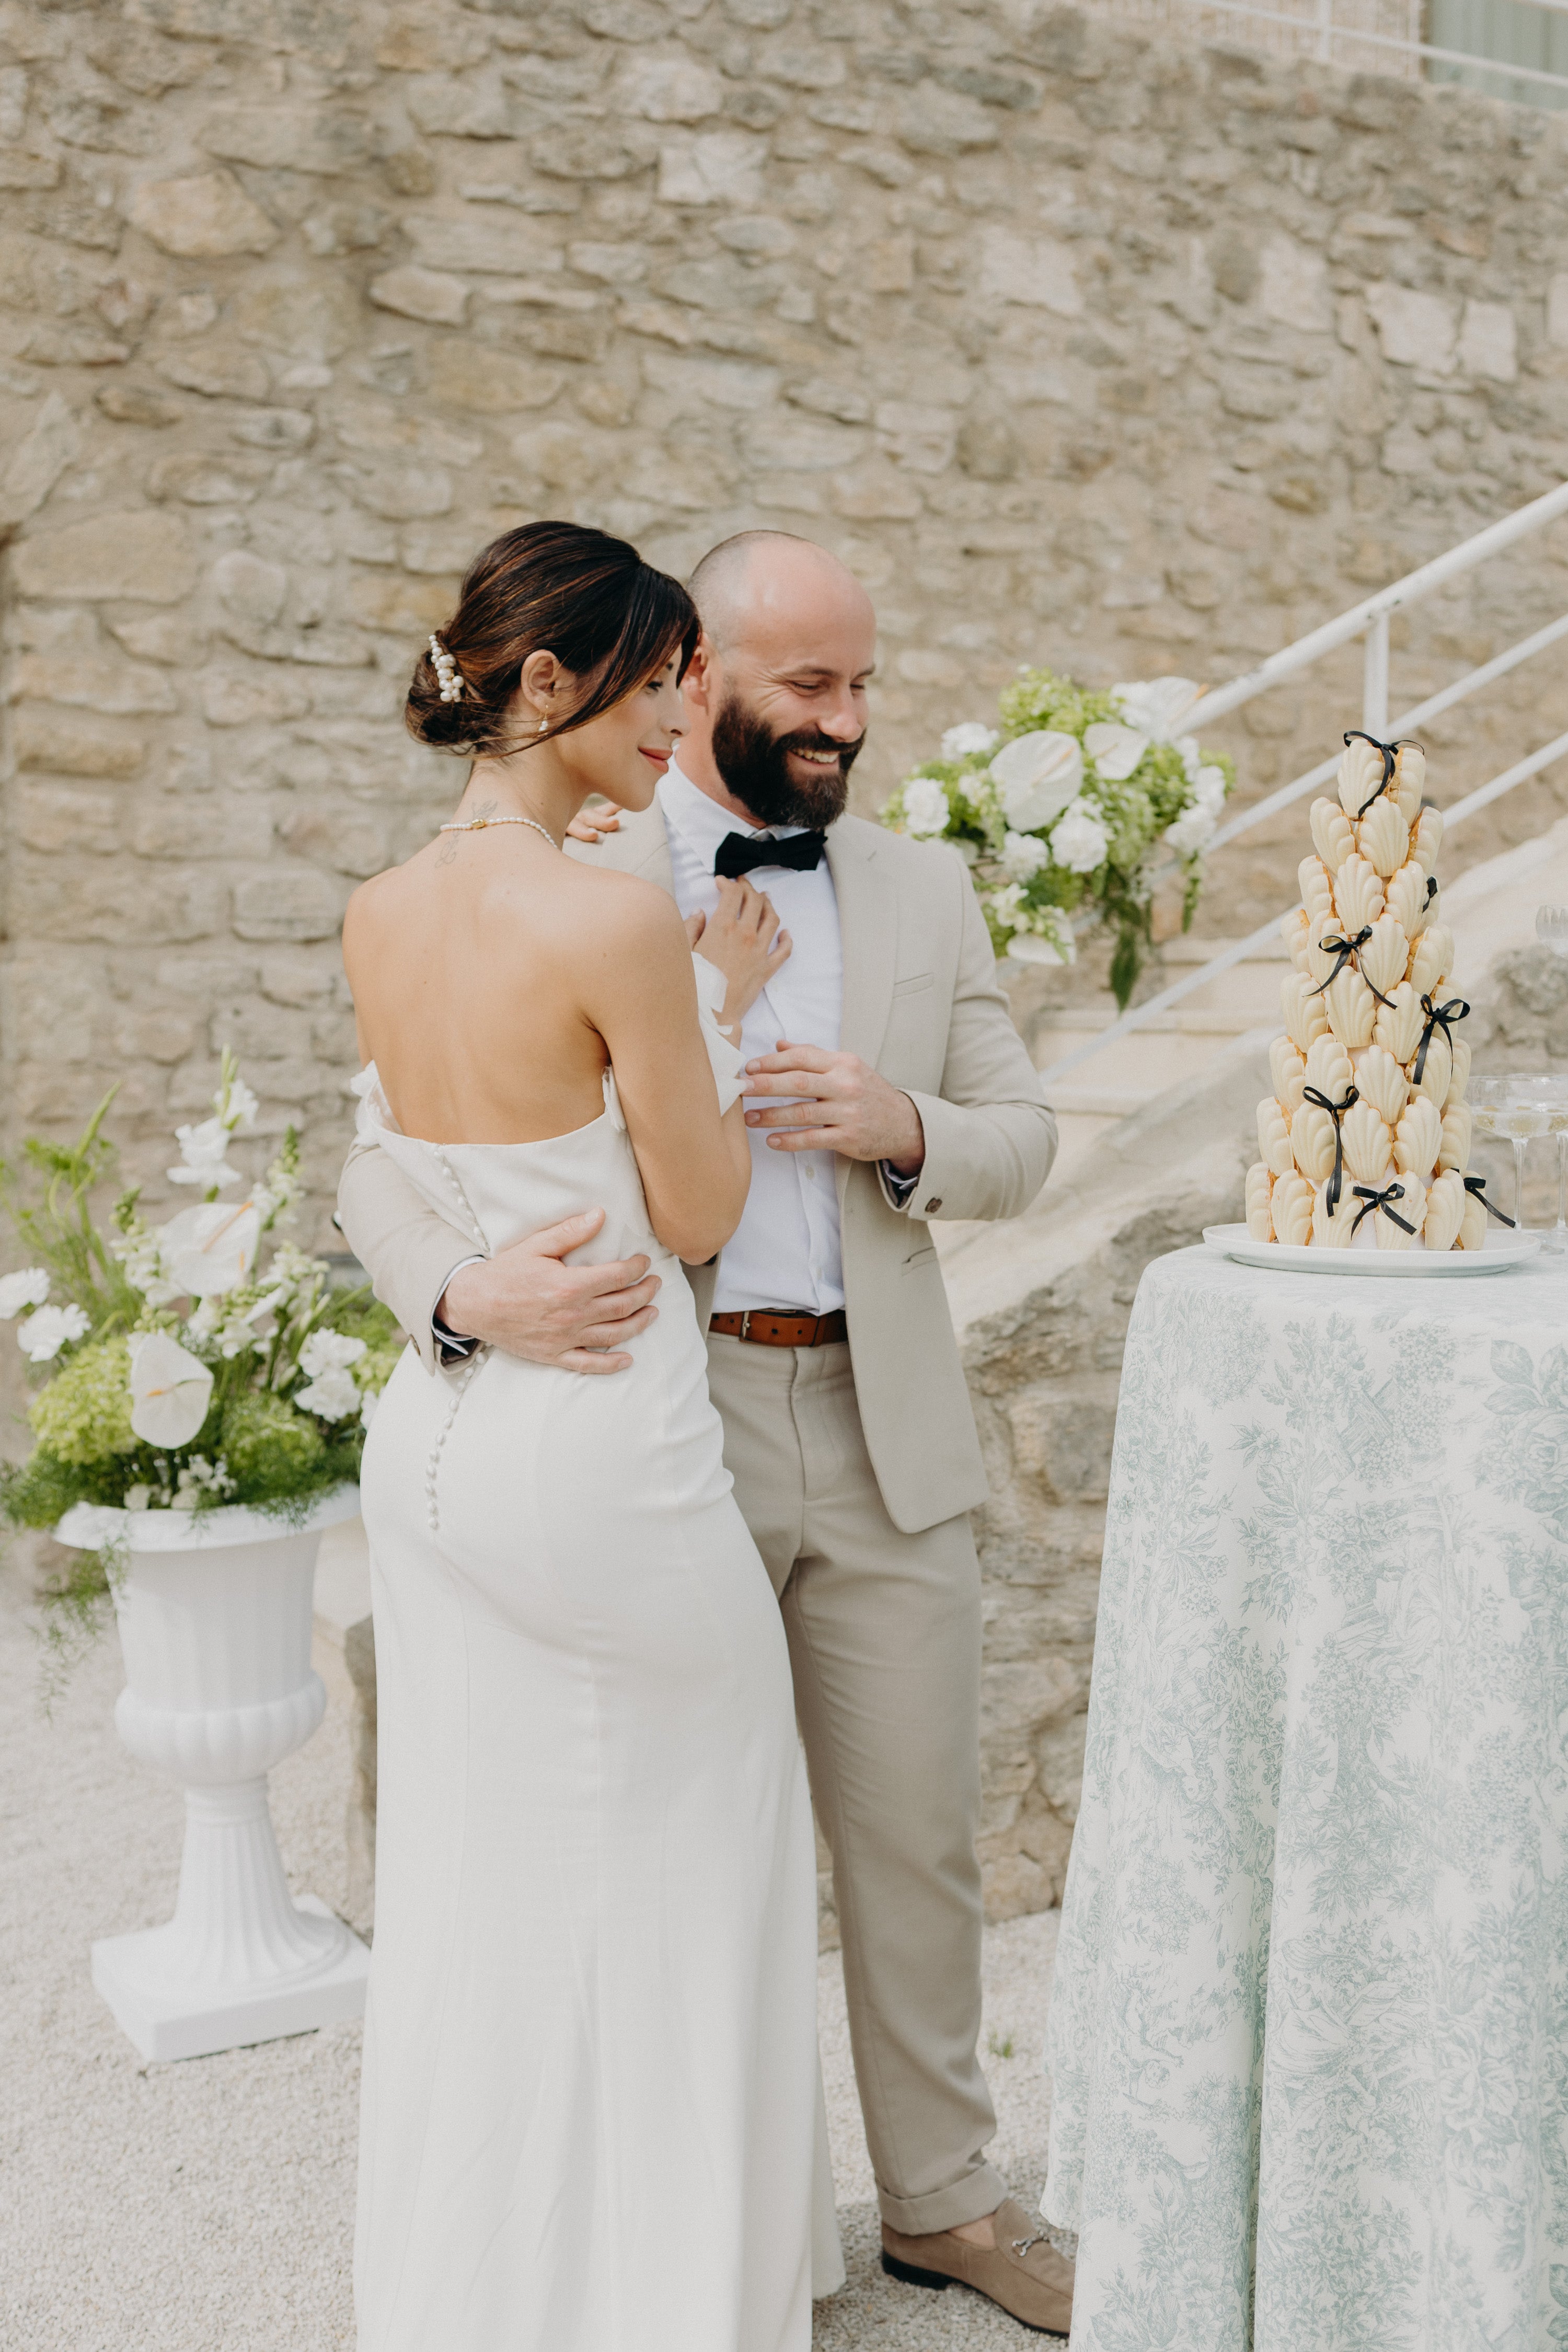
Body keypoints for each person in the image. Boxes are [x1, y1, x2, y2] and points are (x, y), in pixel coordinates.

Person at [340, 527, 1076, 2338]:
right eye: (804, 686)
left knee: (906, 1842)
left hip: (879, 1407)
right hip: (667, 1417)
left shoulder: (921, 888)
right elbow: (383, 1154)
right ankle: (694, 2240)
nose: (846, 720)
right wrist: (462, 1296)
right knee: (679, 1847)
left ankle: (945, 2204)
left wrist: (904, 1117)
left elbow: (1023, 1134)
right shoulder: (582, 863)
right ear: (698, 682)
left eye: (864, 684)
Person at [344, 521, 821, 2352]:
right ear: (545, 685)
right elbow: (693, 1214)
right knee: (708, 1860)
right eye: (647, 689)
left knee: (481, 1883)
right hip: (609, 1444)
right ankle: (679, 2299)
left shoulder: (382, 909)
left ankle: (492, 2293)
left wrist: (469, 1282)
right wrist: (717, 996)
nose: (671, 726)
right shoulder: (619, 914)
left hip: (442, 1445)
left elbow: (402, 1155)